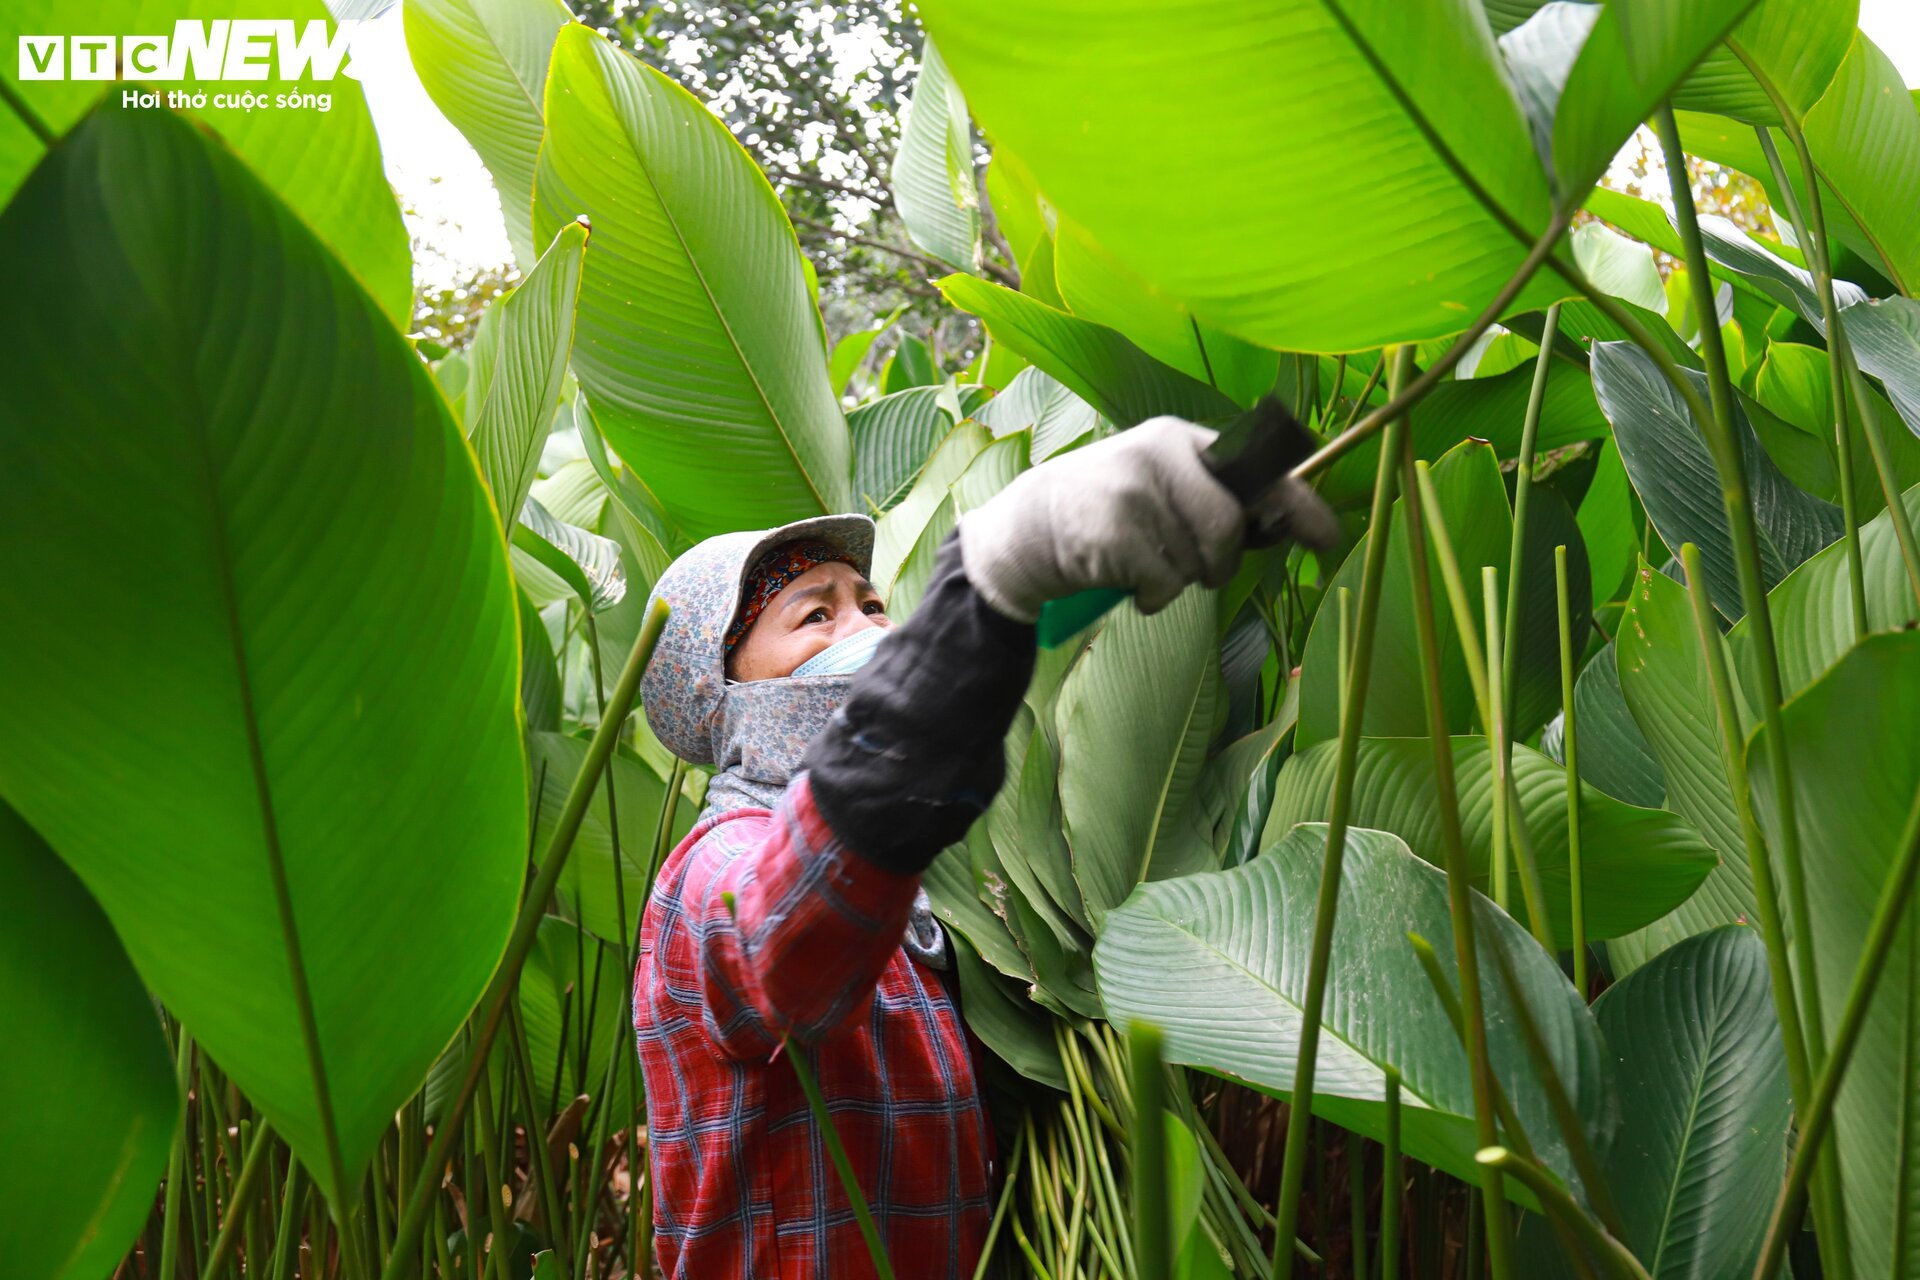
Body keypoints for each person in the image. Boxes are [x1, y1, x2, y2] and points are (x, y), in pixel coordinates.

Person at [631, 416, 1335, 1278]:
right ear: (724, 695)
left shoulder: (926, 885)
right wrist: (990, 583)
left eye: (874, 603)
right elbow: (785, 940)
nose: (865, 631)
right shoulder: (711, 871)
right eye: (814, 615)